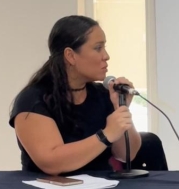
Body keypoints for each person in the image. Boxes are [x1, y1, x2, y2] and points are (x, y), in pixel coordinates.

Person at [9, 15, 141, 175]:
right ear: (70, 56)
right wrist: (105, 135)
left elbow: (126, 154)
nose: (106, 56)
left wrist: (120, 107)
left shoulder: (102, 94)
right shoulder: (33, 99)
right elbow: (51, 163)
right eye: (98, 48)